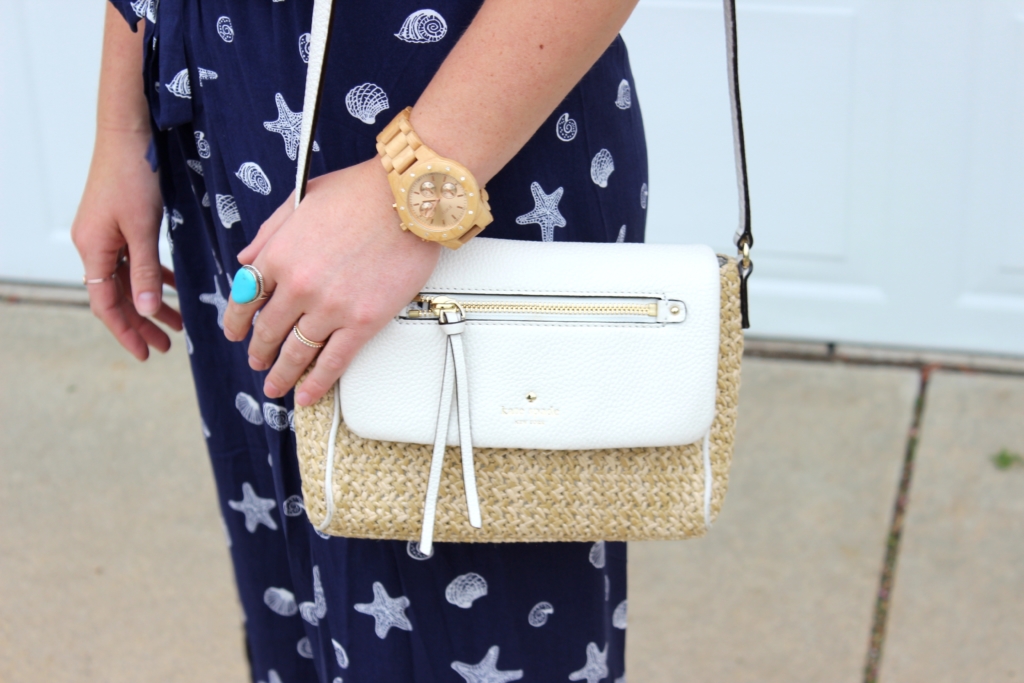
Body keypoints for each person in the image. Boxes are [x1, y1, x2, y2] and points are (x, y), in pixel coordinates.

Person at [73, 1, 648, 680]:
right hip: (230, 99)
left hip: (464, 111)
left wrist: (407, 188)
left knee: (472, 622)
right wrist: (121, 120)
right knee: (292, 584)